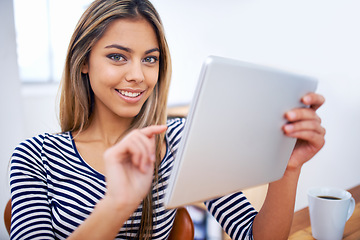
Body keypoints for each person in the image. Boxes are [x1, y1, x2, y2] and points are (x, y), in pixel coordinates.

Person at [9, 0, 326, 239]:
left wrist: (287, 168)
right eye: (117, 56)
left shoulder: (179, 141)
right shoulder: (35, 156)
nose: (137, 76)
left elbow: (254, 235)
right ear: (84, 62)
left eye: (150, 59)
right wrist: (118, 203)